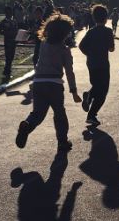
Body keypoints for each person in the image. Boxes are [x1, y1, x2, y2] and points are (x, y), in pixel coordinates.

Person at [16, 14, 82, 154]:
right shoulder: (65, 50)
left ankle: (27, 125)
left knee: (38, 114)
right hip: (55, 84)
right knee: (59, 114)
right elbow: (69, 72)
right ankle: (62, 142)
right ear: (65, 33)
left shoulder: (43, 45)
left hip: (39, 82)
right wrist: (74, 91)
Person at [78, 4, 115, 127]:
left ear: (94, 18)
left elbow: (81, 46)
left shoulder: (91, 31)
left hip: (91, 63)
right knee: (103, 91)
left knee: (97, 86)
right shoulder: (108, 31)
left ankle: (89, 97)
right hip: (103, 63)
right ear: (106, 18)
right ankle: (92, 114)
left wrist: (90, 54)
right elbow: (111, 49)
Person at [0, 6, 19, 82]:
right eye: (7, 12)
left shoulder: (14, 20)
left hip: (14, 40)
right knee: (8, 56)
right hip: (8, 40)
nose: (9, 14)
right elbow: (0, 31)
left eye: (10, 12)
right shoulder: (3, 22)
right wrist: (4, 30)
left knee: (11, 56)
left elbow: (16, 29)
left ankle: (7, 70)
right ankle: (7, 71)